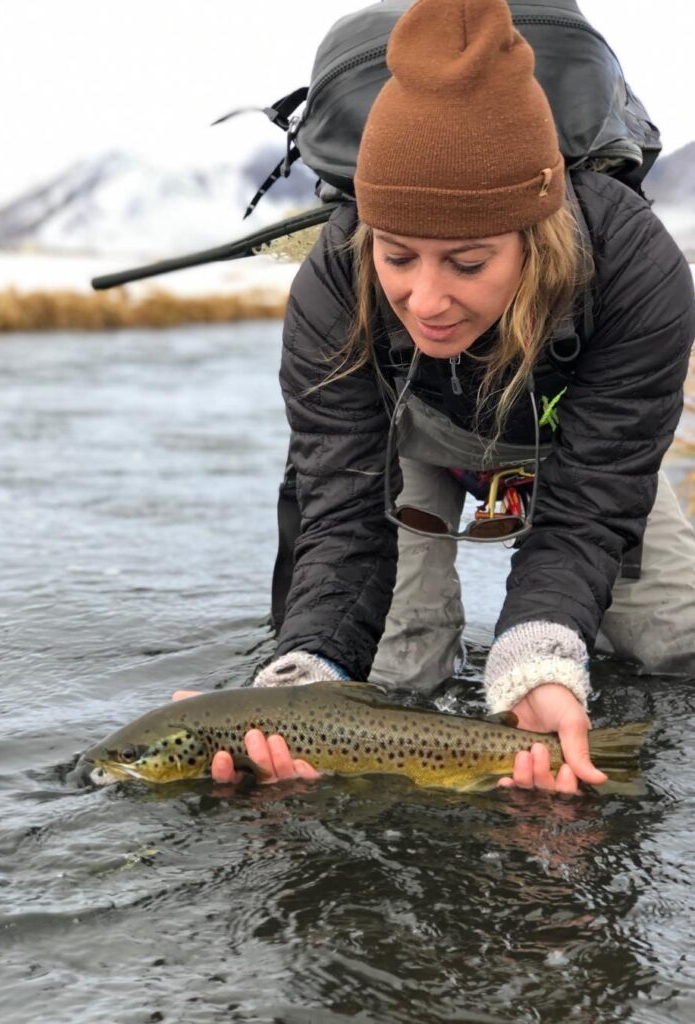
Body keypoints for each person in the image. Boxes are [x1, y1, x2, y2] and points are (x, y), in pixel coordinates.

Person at [185, 0, 695, 794]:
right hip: (412, 439)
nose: (425, 301)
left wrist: (537, 659)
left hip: (569, 443)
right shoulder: (330, 285)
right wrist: (303, 681)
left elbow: (591, 507)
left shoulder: (637, 271)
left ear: (535, 235)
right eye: (397, 257)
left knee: (672, 643)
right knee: (396, 665)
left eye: (466, 263)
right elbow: (342, 513)